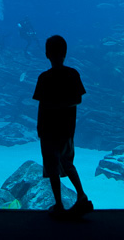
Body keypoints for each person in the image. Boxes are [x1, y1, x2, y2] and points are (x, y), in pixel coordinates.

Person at [32, 35, 93, 216]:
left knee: (52, 166)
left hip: (49, 130)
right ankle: (81, 196)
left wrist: (41, 125)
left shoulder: (44, 77)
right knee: (67, 162)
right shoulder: (72, 74)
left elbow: (42, 105)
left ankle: (59, 204)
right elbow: (78, 99)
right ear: (65, 53)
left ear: (46, 54)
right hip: (67, 129)